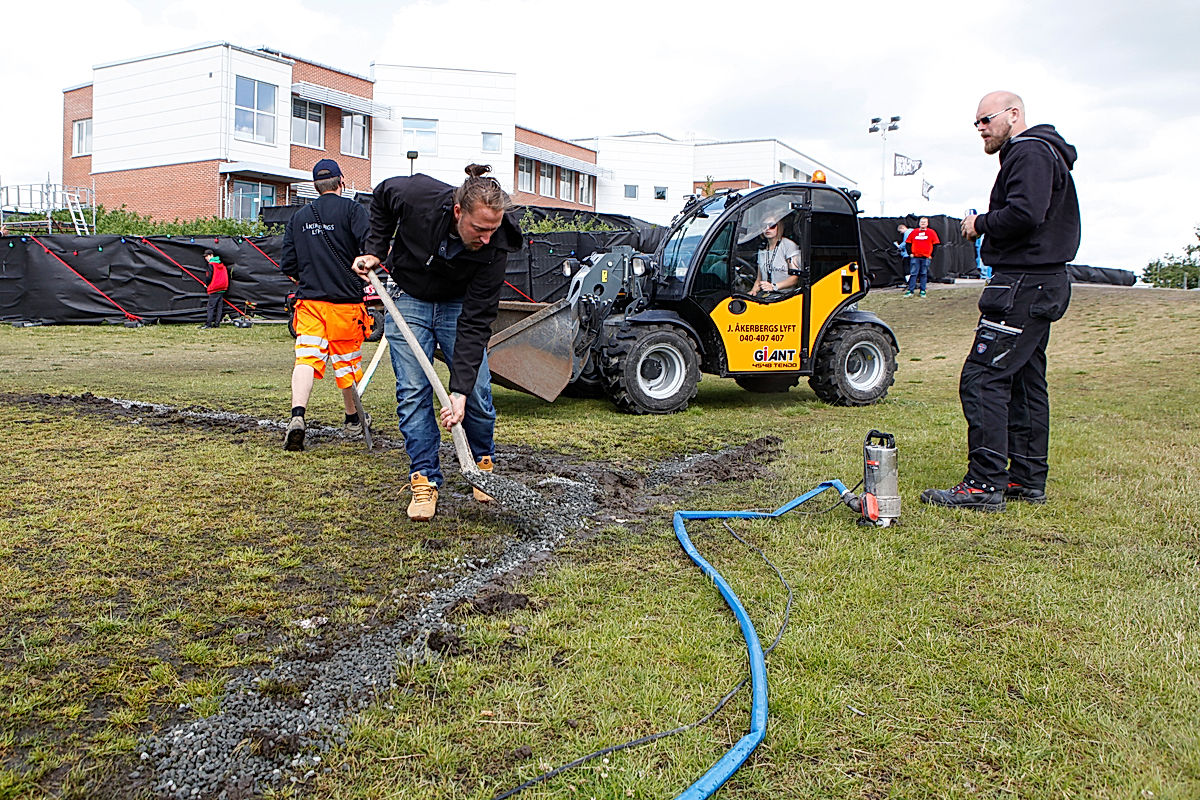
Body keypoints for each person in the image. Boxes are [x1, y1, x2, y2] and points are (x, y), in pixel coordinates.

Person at [921, 91, 1080, 511]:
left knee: (983, 378)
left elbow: (1025, 213)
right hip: (1042, 281)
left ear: (1014, 114)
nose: (981, 128)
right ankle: (1026, 480)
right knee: (1026, 382)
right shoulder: (1045, 153)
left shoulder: (1028, 151)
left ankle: (984, 484)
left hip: (1024, 283)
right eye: (976, 123)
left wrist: (980, 223)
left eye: (986, 119)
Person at [353, 164, 523, 522]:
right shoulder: (419, 197)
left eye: (493, 229)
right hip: (410, 298)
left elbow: (477, 321)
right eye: (479, 229)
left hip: (459, 304)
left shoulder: (497, 245)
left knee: (475, 391)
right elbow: (382, 195)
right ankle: (424, 478)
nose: (487, 238)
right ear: (459, 212)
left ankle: (481, 465)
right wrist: (376, 249)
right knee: (413, 391)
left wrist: (457, 390)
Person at [279, 158, 372, 452]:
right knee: (346, 364)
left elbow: (288, 265)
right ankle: (353, 420)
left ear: (315, 186)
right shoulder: (354, 210)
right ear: (341, 182)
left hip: (310, 303)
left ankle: (297, 417)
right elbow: (369, 250)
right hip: (346, 304)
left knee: (306, 359)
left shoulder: (298, 217)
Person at [750, 216, 800, 296]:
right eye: (764, 226)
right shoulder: (762, 249)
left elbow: (795, 278)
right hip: (767, 294)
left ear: (779, 227)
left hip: (786, 296)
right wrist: (753, 291)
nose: (767, 228)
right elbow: (759, 278)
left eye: (771, 225)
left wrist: (774, 286)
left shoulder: (788, 245)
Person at [903, 217, 939, 297]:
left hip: (926, 257)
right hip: (915, 257)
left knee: (923, 273)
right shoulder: (914, 232)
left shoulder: (931, 232)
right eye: (921, 222)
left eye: (924, 222)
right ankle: (910, 291)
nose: (923, 223)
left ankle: (922, 290)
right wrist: (910, 253)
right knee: (913, 274)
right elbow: (908, 243)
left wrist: (931, 255)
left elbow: (936, 244)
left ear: (927, 223)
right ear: (919, 223)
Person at [201, 250, 229, 328]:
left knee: (211, 307)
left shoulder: (211, 265)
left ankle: (208, 324)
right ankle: (217, 324)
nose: (206, 258)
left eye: (206, 256)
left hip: (215, 288)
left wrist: (207, 284)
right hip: (222, 287)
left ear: (211, 255)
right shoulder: (221, 264)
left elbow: (208, 276)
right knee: (219, 307)